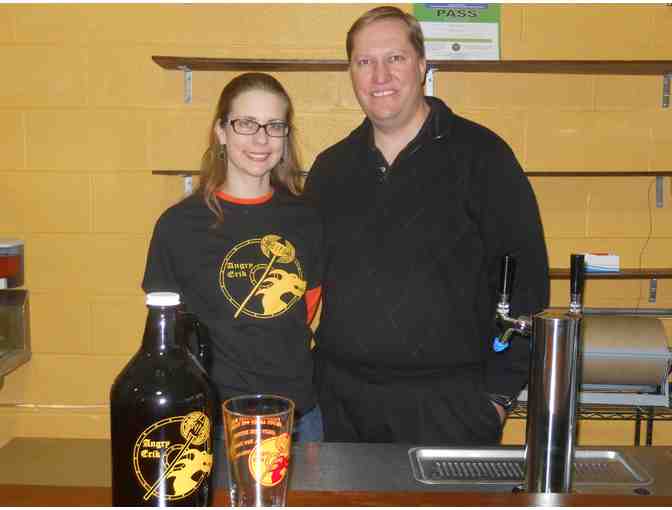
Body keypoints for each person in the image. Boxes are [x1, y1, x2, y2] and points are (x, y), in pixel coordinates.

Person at [304, 6, 549, 445]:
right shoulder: (330, 170)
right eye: (365, 61)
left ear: (421, 65)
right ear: (351, 73)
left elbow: (528, 284)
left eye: (395, 58)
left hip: (452, 410)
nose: (380, 75)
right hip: (341, 409)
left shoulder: (483, 157)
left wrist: (498, 397)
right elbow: (302, 282)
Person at [142, 72, 324, 442]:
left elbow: (304, 309)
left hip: (297, 420)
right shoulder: (178, 225)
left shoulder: (307, 220)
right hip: (212, 423)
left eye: (274, 125)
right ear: (221, 131)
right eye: (246, 123)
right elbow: (168, 335)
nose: (261, 138)